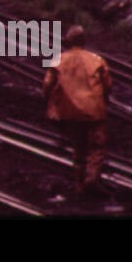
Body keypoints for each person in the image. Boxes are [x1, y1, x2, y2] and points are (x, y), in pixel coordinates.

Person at [42, 24, 112, 197]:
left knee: (78, 148)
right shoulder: (96, 59)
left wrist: (51, 103)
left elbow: (47, 85)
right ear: (83, 41)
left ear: (67, 41)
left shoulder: (58, 59)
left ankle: (79, 186)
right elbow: (107, 85)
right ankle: (91, 179)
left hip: (69, 110)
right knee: (97, 147)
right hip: (93, 110)